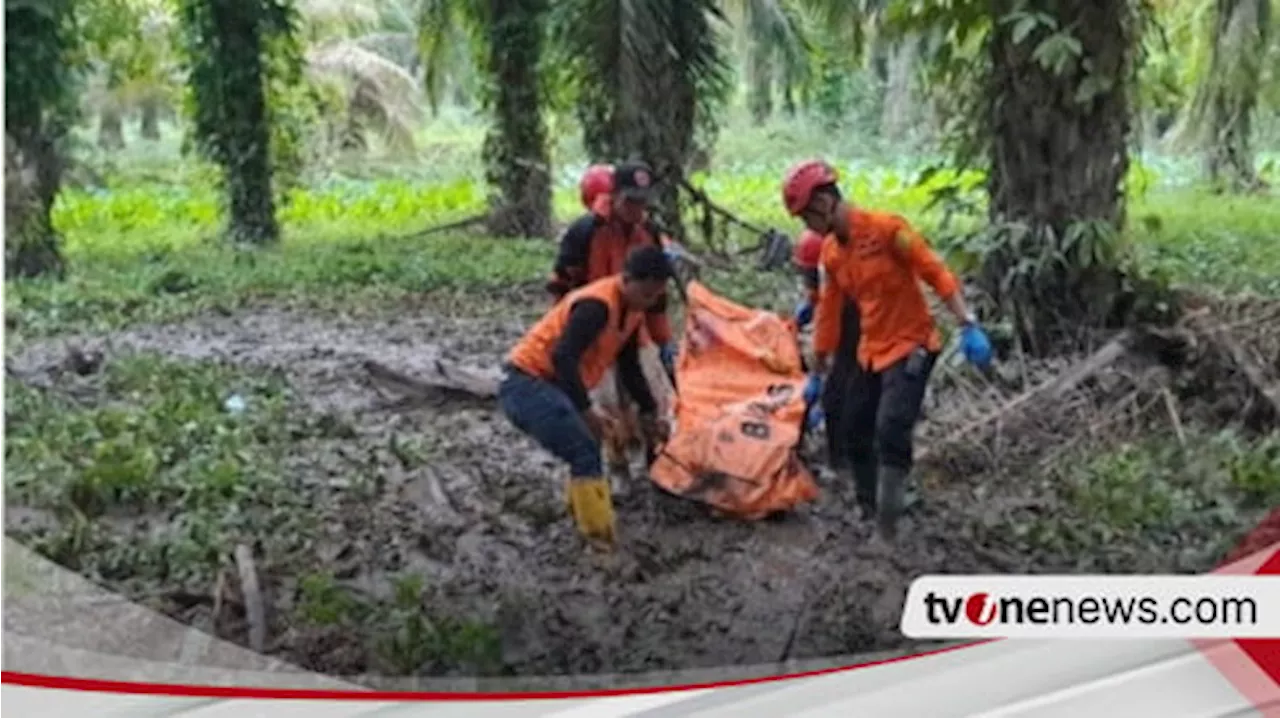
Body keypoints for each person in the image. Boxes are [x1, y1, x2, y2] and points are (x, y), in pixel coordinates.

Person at [781, 159, 993, 541]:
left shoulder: (888, 230)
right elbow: (829, 311)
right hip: (871, 350)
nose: (806, 227)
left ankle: (888, 526)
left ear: (826, 202)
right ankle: (868, 507)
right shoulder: (831, 253)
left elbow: (934, 271)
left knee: (891, 426)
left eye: (806, 216)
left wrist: (967, 323)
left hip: (912, 343)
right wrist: (818, 369)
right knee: (854, 428)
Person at [500, 245, 676, 551]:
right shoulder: (597, 305)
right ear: (628, 280)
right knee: (584, 447)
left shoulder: (632, 312)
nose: (650, 303)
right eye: (647, 294)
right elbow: (563, 356)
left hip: (549, 384)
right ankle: (599, 543)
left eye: (656, 296)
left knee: (586, 444)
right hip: (527, 383)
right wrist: (586, 410)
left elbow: (630, 366)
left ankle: (581, 517)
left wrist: (649, 411)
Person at [548, 161, 677, 375]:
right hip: (589, 330)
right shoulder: (585, 232)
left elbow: (656, 297)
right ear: (614, 195)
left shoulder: (650, 235)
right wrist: (564, 336)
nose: (636, 209)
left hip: (632, 332)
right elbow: (562, 286)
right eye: (631, 201)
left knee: (653, 395)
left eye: (642, 202)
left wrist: (663, 341)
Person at [791, 229, 862, 475]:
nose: (808, 281)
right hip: (842, 337)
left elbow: (828, 329)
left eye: (810, 275)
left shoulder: (845, 290)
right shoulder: (824, 285)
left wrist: (819, 372)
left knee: (842, 394)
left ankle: (846, 458)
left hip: (860, 336)